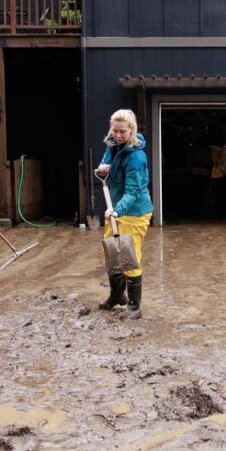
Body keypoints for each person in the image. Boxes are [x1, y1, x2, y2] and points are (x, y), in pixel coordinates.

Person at [96, 109, 153, 319]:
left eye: (122, 132)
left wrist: (117, 209)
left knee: (128, 256)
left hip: (134, 211)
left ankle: (134, 307)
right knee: (111, 252)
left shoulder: (136, 158)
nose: (118, 135)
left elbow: (134, 191)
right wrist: (104, 168)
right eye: (115, 130)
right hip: (116, 208)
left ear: (132, 130)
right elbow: (107, 164)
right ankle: (117, 295)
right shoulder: (112, 145)